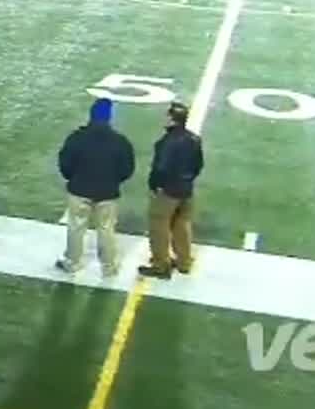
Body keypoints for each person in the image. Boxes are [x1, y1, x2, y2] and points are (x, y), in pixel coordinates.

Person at [57, 98, 134, 276]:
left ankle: (72, 262)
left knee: (76, 227)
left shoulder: (76, 138)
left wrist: (73, 178)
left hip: (79, 189)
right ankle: (109, 267)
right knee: (106, 229)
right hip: (108, 192)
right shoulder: (120, 141)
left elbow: (65, 164)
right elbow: (127, 169)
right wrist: (114, 181)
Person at [140, 101, 205, 279]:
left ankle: (161, 265)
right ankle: (184, 262)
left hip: (168, 191)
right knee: (182, 224)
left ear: (172, 120)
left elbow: (160, 168)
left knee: (159, 225)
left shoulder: (166, 142)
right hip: (186, 189)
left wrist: (154, 185)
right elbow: (198, 165)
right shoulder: (194, 139)